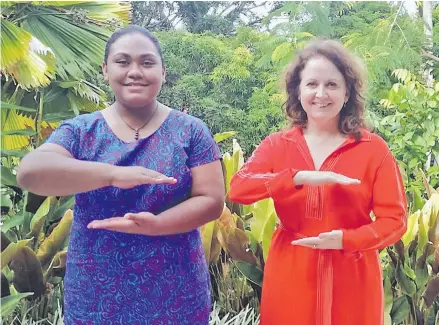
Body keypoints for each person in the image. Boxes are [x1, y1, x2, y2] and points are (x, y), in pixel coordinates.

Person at [17, 25, 225, 325]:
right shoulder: (81, 131)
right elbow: (31, 174)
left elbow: (212, 199)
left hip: (175, 290)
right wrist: (113, 174)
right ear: (105, 70)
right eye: (123, 61)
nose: (135, 71)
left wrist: (156, 225)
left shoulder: (191, 130)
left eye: (147, 62)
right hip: (96, 292)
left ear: (163, 72)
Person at [229, 39, 407, 325]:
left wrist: (348, 240)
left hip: (354, 273)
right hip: (291, 270)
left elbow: (395, 220)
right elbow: (239, 187)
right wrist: (298, 177)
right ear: (298, 91)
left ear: (347, 92)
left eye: (332, 85)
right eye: (312, 84)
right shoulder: (278, 145)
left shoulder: (373, 149)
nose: (321, 94)